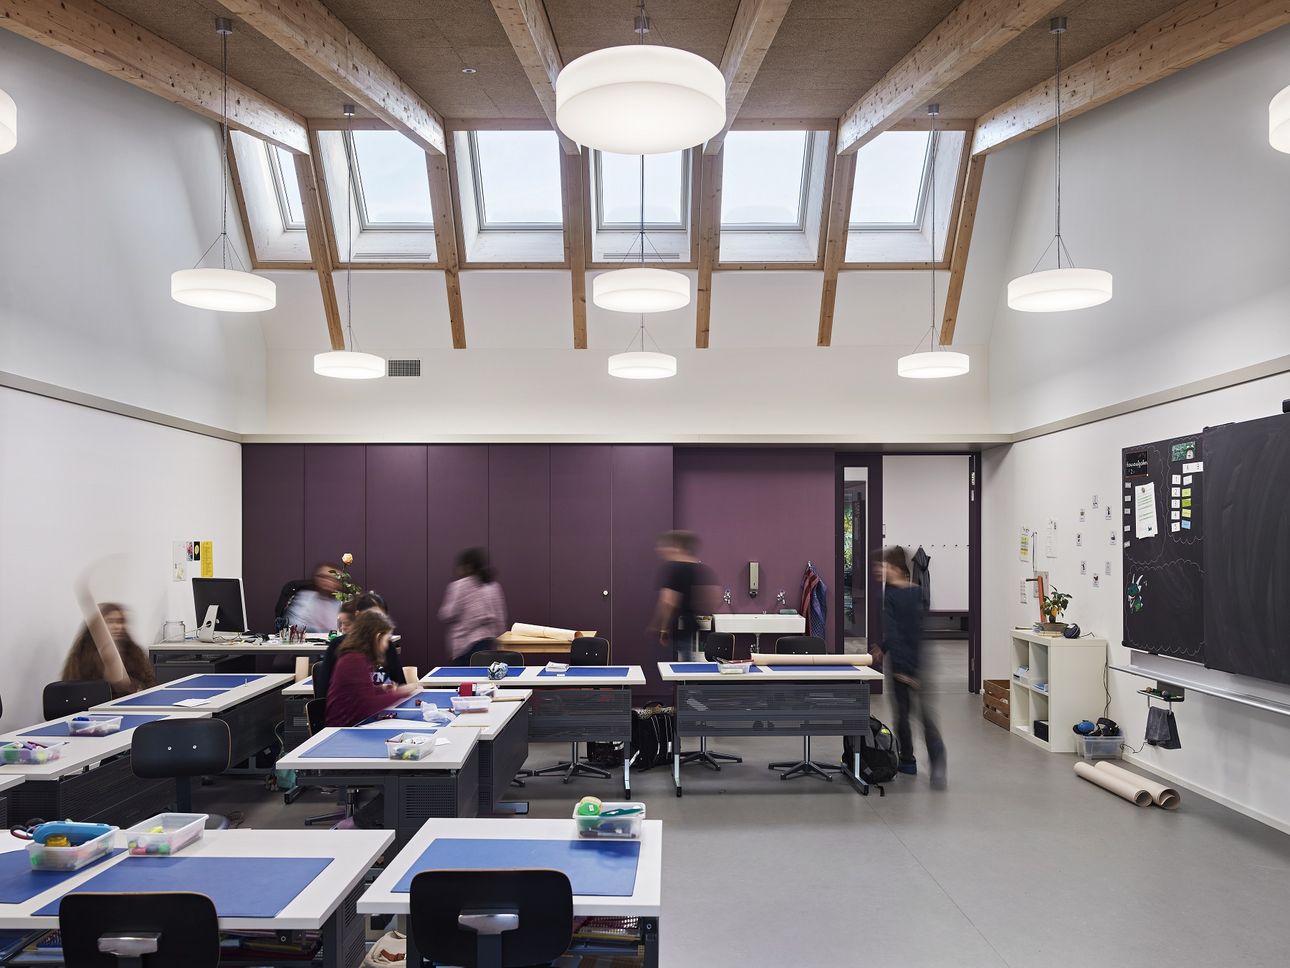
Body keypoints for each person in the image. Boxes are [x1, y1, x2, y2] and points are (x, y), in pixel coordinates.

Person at [873, 546, 946, 790]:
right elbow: (910, 629)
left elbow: (896, 632)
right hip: (919, 661)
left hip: (902, 666)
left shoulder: (891, 596)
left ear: (895, 569)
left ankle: (908, 760)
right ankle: (935, 765)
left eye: (883, 566)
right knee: (924, 716)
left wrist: (902, 670)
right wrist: (883, 648)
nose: (880, 571)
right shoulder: (917, 592)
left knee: (904, 715)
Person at [325, 610, 416, 728]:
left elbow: (357, 693)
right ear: (378, 637)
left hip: (353, 724)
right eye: (386, 640)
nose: (386, 645)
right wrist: (401, 693)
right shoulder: (354, 660)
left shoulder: (359, 658)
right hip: (344, 728)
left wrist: (381, 689)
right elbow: (368, 705)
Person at [312, 592, 406, 700]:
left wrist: (395, 691)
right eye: (373, 617)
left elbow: (400, 684)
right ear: (358, 615)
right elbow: (324, 694)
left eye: (382, 617)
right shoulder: (342, 649)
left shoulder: (386, 646)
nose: (378, 622)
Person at [63, 591, 156, 698]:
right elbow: (78, 692)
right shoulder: (82, 655)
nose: (117, 626)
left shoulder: (134, 652)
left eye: (120, 621)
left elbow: (149, 684)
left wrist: (135, 687)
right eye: (110, 621)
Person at [651, 530, 718, 662]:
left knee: (679, 664)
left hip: (678, 626)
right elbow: (714, 595)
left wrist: (662, 627)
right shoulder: (700, 568)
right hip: (691, 625)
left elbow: (668, 601)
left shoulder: (674, 569)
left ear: (677, 547)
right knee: (687, 662)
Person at [438, 548, 507, 665]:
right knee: (484, 676)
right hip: (487, 644)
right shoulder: (493, 586)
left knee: (463, 676)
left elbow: (447, 614)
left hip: (464, 646)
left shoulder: (460, 585)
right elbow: (500, 619)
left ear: (467, 566)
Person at [283, 563, 343, 633]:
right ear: (316, 579)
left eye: (333, 579)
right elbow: (294, 625)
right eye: (323, 577)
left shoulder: (345, 604)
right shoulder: (304, 598)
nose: (327, 581)